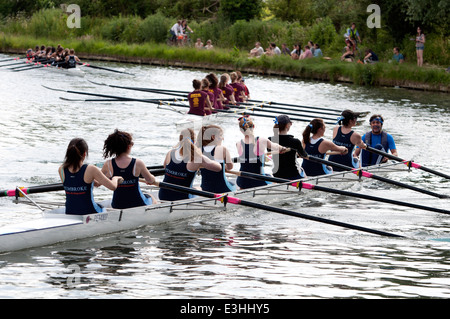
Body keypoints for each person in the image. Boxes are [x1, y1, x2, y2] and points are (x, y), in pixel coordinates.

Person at [58, 138, 122, 215]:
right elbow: (113, 187)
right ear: (85, 154)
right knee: (103, 208)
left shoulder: (61, 169)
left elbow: (77, 182)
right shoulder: (91, 169)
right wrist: (116, 178)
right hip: (89, 212)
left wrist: (103, 178)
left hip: (70, 212)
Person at [158, 128, 222, 201]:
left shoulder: (170, 152)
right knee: (200, 188)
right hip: (182, 198)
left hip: (162, 195)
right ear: (194, 141)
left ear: (180, 140)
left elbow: (165, 167)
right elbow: (218, 168)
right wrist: (202, 163)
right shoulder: (197, 158)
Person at [101, 129, 157, 209]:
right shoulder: (138, 163)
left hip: (117, 205)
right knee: (151, 197)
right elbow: (150, 180)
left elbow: (98, 182)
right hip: (138, 203)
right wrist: (152, 178)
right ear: (128, 146)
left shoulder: (108, 164)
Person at [236, 116, 288, 189]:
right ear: (253, 126)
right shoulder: (261, 140)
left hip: (242, 182)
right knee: (271, 178)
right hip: (259, 181)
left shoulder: (238, 143)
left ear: (241, 130)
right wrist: (282, 148)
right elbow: (275, 146)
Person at [197, 125, 236, 193]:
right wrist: (224, 166)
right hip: (222, 189)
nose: (223, 138)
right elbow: (230, 167)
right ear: (213, 137)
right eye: (221, 135)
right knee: (234, 185)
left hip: (205, 189)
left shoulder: (198, 150)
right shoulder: (222, 149)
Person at [269, 115, 308, 180]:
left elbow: (269, 150)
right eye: (290, 123)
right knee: (303, 172)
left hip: (276, 175)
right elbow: (304, 155)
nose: (291, 124)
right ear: (287, 125)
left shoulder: (270, 140)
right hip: (293, 175)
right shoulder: (295, 141)